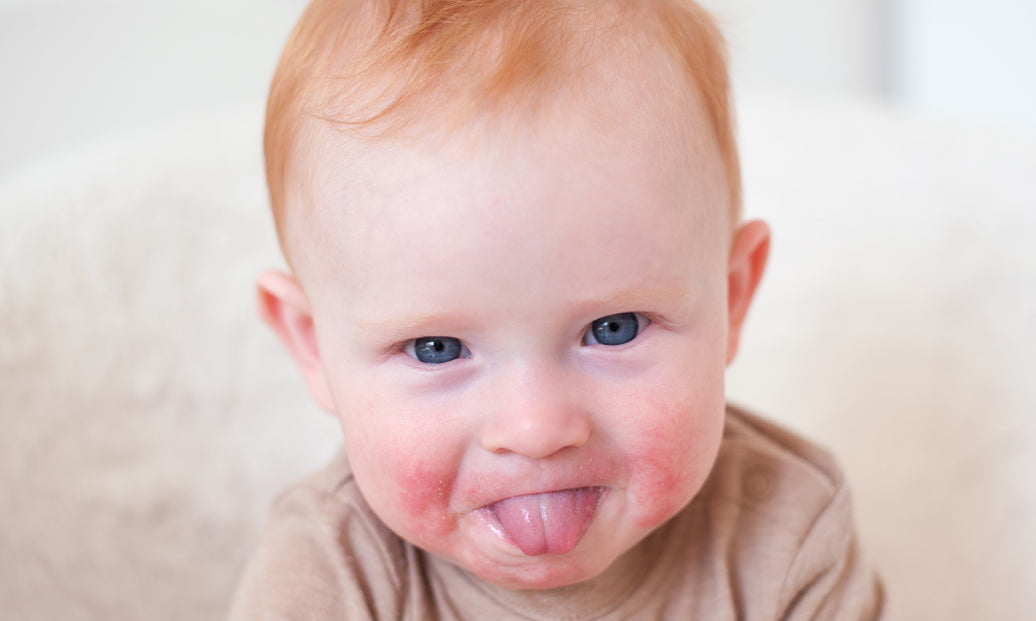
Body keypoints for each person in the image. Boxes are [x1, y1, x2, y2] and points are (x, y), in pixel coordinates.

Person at [228, 0, 885, 618]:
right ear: (313, 344)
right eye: (438, 348)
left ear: (732, 295)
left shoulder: (787, 531)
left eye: (612, 329)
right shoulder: (331, 572)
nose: (536, 427)